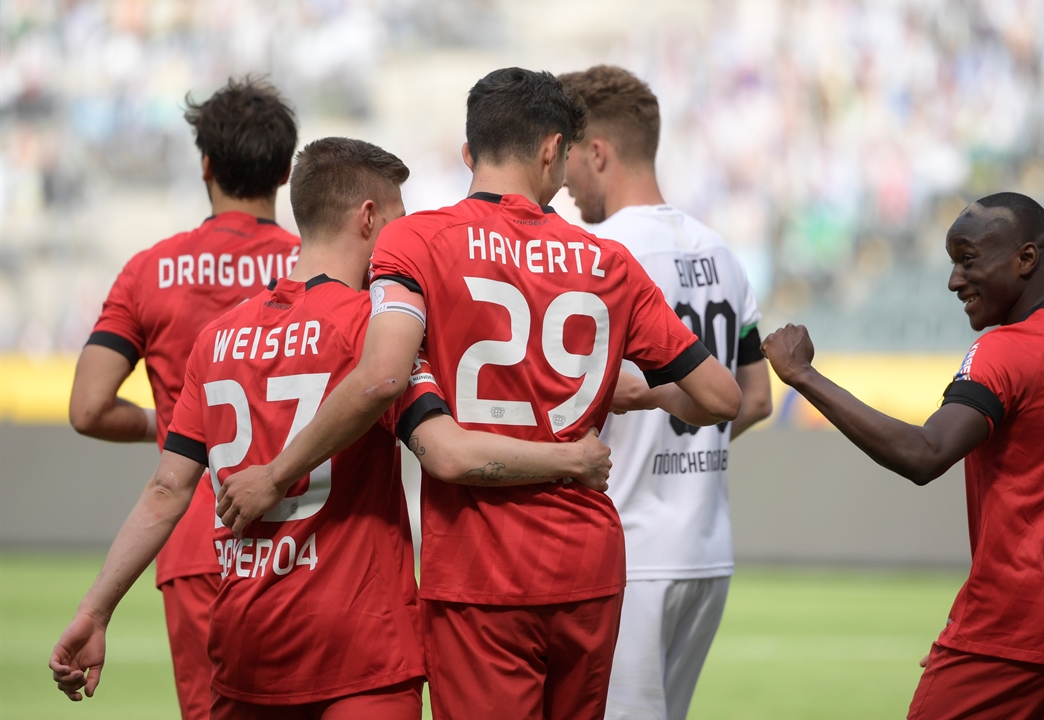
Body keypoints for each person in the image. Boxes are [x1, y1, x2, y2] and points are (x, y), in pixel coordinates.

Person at [213, 67, 743, 720]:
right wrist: (646, 396)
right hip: (589, 564)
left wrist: (276, 474)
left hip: (481, 570)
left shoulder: (416, 240)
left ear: (470, 152)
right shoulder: (607, 262)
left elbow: (383, 377)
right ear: (554, 149)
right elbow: (722, 397)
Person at [50, 137, 613, 719]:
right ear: (369, 218)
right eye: (397, 218)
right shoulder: (377, 335)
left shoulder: (217, 339)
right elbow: (446, 451)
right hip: (360, 652)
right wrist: (572, 457)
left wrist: (95, 611)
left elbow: (166, 491)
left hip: (247, 642)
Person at [763, 192, 1044, 719]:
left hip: (1016, 630)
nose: (953, 280)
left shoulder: (1009, 348)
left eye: (967, 260)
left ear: (1025, 259)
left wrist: (802, 376)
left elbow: (926, 454)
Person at [66, 76, 300, 720]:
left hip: (199, 538)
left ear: (205, 165)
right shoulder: (320, 265)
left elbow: (88, 407)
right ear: (284, 171)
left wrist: (170, 428)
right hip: (311, 533)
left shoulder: (150, 269)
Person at [558, 65, 773, 720]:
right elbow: (756, 396)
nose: (563, 186)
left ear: (597, 152)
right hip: (707, 545)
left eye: (567, 161)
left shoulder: (594, 253)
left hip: (629, 546)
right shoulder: (723, 253)